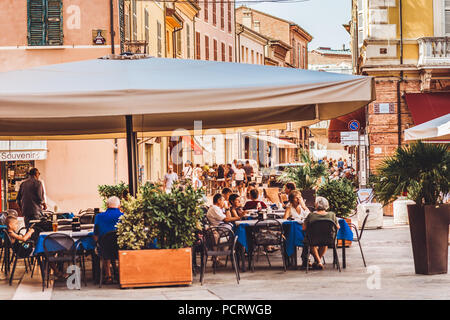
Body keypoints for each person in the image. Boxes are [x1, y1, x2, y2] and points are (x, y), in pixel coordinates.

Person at [302, 196, 339, 270]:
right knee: (324, 241)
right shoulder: (332, 215)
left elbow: (304, 228)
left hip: (313, 239)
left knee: (312, 242)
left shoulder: (311, 215)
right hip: (328, 239)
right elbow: (338, 227)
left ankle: (318, 262)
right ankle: (318, 261)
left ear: (316, 205)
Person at [93, 196, 124, 284]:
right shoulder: (123, 216)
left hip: (104, 250)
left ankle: (108, 276)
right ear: (119, 206)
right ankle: (120, 274)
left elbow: (95, 235)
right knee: (112, 245)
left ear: (107, 205)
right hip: (119, 248)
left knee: (103, 245)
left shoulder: (99, 217)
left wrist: (97, 243)